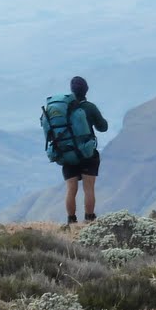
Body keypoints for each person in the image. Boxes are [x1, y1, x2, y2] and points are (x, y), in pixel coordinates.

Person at [47, 76, 109, 225]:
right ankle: (89, 219)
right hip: (87, 154)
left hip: (67, 153)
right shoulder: (89, 107)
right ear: (86, 90)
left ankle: (71, 221)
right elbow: (103, 127)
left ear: (72, 90)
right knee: (88, 188)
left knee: (71, 189)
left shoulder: (63, 109)